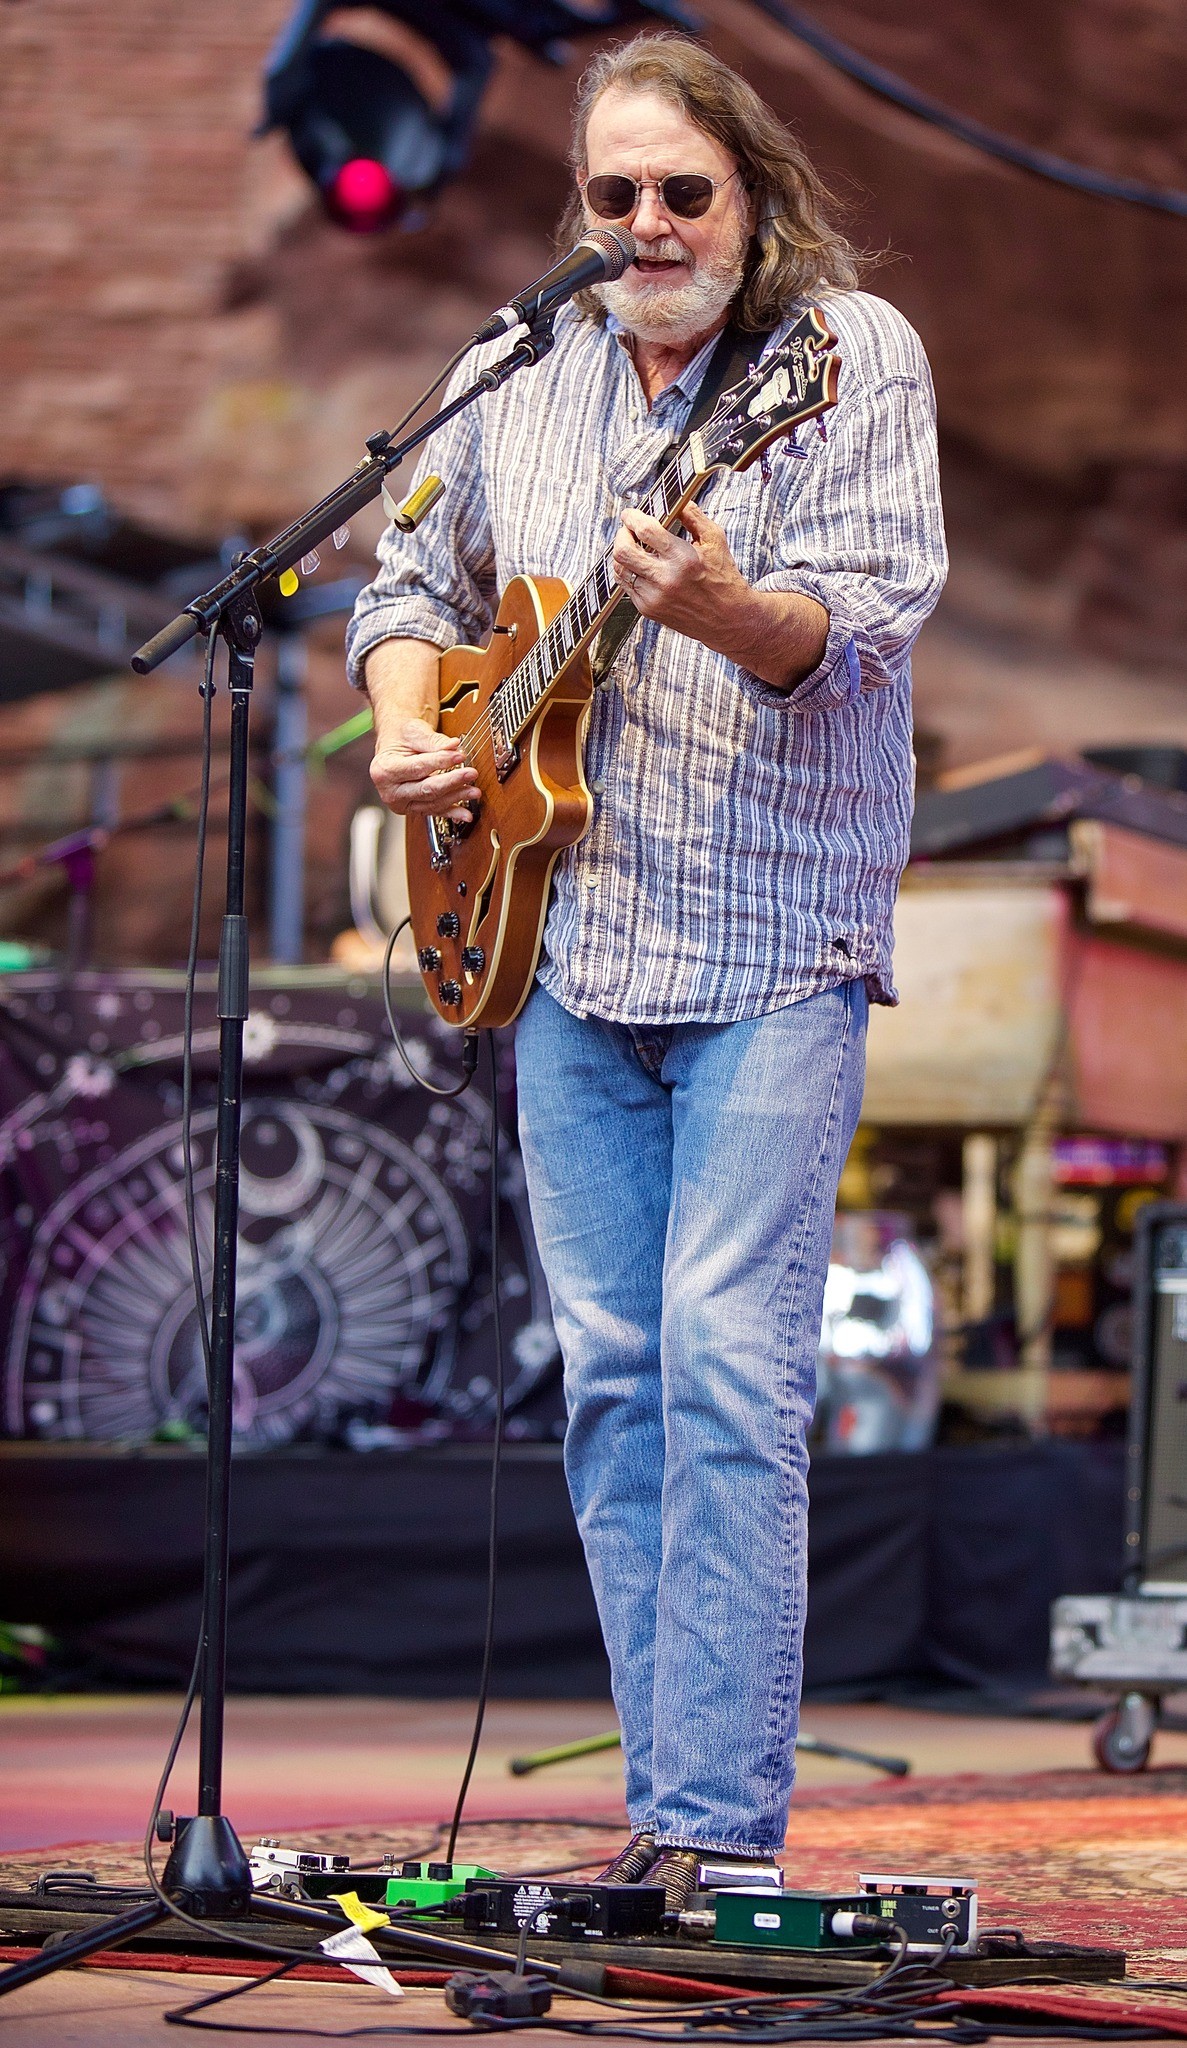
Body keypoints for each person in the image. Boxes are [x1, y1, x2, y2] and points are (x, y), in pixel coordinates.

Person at [346, 34, 946, 1908]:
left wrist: (721, 607)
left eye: (684, 188)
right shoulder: (508, 377)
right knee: (610, 1376)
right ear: (577, 213)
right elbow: (402, 590)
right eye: (614, 195)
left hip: (773, 933)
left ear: (752, 194)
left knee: (723, 1364)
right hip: (564, 939)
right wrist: (408, 728)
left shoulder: (848, 359)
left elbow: (856, 625)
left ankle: (712, 1831)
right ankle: (663, 1815)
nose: (649, 223)